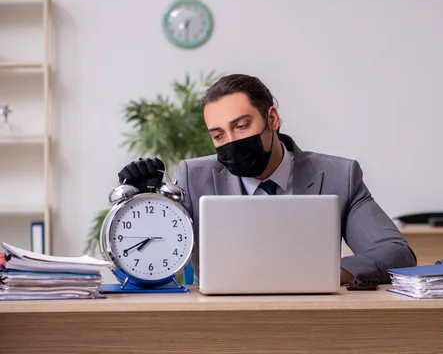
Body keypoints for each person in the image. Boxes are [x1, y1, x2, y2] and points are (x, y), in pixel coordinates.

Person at [118, 74, 417, 286]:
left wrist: (328, 272)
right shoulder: (193, 178)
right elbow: (152, 255)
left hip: (316, 320)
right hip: (220, 325)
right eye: (219, 135)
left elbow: (396, 252)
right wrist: (145, 199)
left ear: (272, 118)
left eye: (242, 126)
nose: (231, 141)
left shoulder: (340, 175)